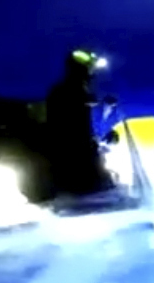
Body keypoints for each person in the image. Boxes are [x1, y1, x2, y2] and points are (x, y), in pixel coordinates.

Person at [37, 49, 115, 196]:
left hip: (72, 154)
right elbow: (68, 121)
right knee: (97, 184)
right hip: (73, 156)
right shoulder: (68, 91)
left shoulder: (74, 91)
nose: (92, 74)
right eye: (89, 69)